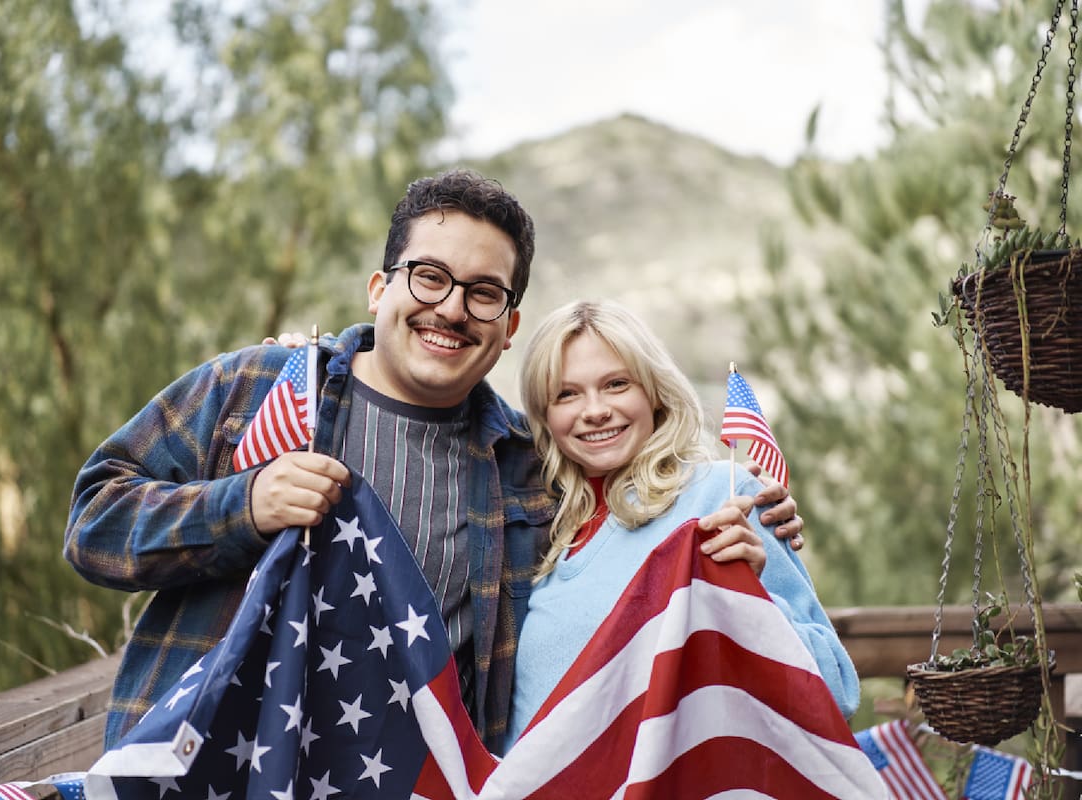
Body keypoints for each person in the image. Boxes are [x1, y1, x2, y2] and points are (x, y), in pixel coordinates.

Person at [64, 169, 804, 753]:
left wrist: (751, 532)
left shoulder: (526, 466)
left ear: (508, 327)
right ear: (380, 287)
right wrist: (243, 505)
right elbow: (93, 522)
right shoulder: (257, 388)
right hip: (209, 769)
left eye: (483, 293)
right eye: (429, 276)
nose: (451, 308)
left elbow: (628, 543)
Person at [501, 300, 857, 753]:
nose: (595, 410)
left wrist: (753, 600)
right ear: (544, 415)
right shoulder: (540, 522)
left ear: (653, 390)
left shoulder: (720, 497)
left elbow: (835, 692)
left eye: (616, 384)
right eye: (567, 394)